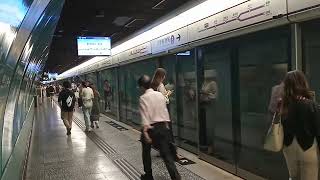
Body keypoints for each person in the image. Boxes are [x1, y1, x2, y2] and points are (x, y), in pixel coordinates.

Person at [138, 75, 181, 180]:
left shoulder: (143, 98)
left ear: (142, 87)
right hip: (162, 127)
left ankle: (148, 175)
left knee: (146, 153)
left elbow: (145, 117)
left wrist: (146, 134)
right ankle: (176, 177)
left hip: (150, 129)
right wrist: (166, 126)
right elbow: (164, 112)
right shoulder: (160, 95)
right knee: (166, 155)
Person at [280, 70, 320, 180]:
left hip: (289, 148)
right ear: (303, 83)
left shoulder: (283, 105)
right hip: (308, 148)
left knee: (293, 177)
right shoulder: (311, 105)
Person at [151, 68, 180, 160]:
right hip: (163, 112)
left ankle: (161, 150)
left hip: (155, 113)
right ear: (161, 77)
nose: (164, 78)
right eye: (163, 77)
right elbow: (164, 100)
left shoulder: (151, 85)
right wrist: (168, 95)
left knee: (160, 133)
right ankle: (173, 153)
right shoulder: (160, 85)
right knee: (169, 132)